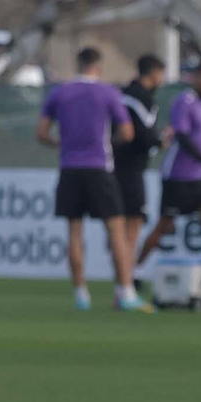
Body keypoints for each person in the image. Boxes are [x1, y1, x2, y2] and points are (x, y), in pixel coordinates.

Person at [35, 46, 148, 312]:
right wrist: (108, 142)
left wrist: (59, 143)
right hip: (99, 167)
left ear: (78, 64)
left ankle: (81, 294)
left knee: (74, 232)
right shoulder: (108, 93)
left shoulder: (59, 93)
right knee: (116, 230)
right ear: (98, 67)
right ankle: (125, 291)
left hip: (70, 168)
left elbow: (41, 132)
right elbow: (127, 133)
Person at [136, 61, 201, 272]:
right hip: (179, 175)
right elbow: (182, 136)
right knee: (165, 225)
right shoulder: (184, 101)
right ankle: (134, 270)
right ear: (198, 78)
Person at [114, 54, 165, 283]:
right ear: (154, 73)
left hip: (115, 166)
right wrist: (161, 141)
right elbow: (144, 135)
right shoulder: (140, 98)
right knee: (133, 221)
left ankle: (124, 275)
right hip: (131, 168)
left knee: (120, 222)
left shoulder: (122, 93)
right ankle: (127, 277)